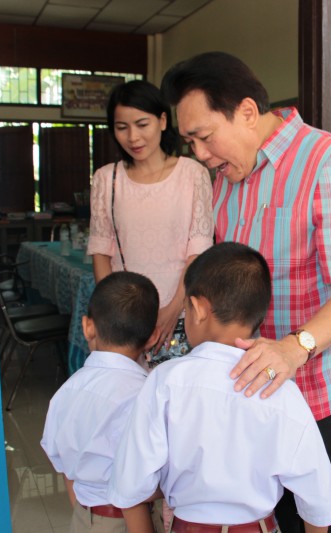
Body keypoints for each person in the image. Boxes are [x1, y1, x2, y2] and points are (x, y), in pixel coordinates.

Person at [161, 52, 331, 533]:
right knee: (271, 510)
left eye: (204, 136)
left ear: (245, 111)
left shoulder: (328, 161)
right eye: (190, 142)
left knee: (322, 512)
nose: (200, 154)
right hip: (247, 384)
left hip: (311, 383)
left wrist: (293, 349)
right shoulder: (226, 178)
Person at [110, 242, 331, 533]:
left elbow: (130, 484)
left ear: (198, 309)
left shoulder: (164, 382)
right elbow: (320, 502)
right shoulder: (282, 391)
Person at [87, 79, 214, 367]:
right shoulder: (107, 179)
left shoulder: (192, 174)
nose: (133, 137)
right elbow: (101, 251)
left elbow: (199, 251)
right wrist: (115, 314)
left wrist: (173, 308)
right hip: (126, 321)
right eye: (122, 127)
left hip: (182, 314)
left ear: (163, 121)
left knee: (174, 390)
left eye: (142, 124)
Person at [41, 271, 165, 533]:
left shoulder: (66, 391)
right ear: (153, 336)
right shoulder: (146, 396)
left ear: (88, 327)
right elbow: (133, 491)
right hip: (128, 522)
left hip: (83, 517)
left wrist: (87, 517)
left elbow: (66, 469)